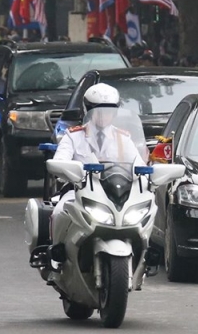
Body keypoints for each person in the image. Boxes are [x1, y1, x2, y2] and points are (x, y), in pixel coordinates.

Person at [51, 83, 146, 229]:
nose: (103, 116)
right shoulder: (73, 136)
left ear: (115, 113)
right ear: (87, 111)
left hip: (117, 193)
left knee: (143, 214)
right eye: (98, 111)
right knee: (59, 211)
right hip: (78, 190)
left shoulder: (123, 138)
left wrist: (147, 175)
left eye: (108, 112)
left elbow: (139, 166)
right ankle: (57, 250)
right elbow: (59, 161)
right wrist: (68, 170)